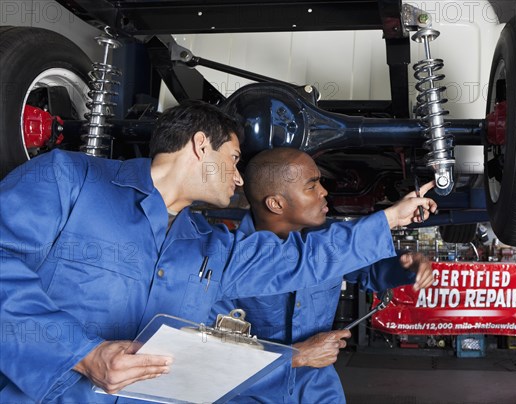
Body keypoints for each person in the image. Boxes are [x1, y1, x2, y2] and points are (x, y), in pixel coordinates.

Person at [0, 102, 436, 403]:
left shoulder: (211, 246)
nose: (240, 178)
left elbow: (299, 259)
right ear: (200, 146)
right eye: (233, 158)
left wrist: (390, 219)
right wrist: (81, 353)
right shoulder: (67, 181)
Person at [210, 148, 434, 403]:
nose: (324, 192)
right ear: (276, 203)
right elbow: (214, 352)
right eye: (311, 186)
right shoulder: (228, 260)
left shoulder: (329, 242)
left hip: (318, 391)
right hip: (251, 393)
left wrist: (405, 266)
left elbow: (371, 271)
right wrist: (296, 356)